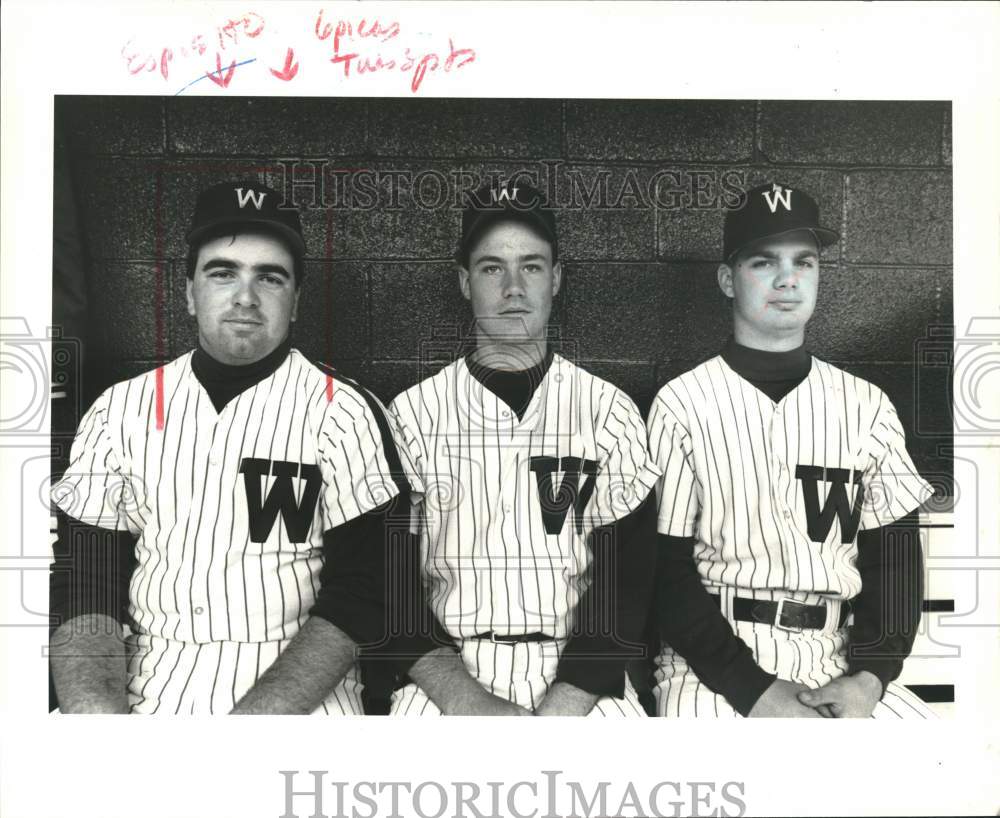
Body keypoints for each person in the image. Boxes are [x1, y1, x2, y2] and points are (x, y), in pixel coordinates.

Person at [48, 180, 436, 714]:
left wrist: (250, 732)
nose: (245, 297)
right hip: (146, 692)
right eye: (222, 272)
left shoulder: (343, 412)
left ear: (296, 301)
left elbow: (365, 594)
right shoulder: (119, 411)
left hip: (299, 709)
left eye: (269, 278)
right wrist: (96, 718)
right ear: (189, 291)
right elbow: (86, 583)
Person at [646, 181, 935, 718]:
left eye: (804, 262)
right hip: (710, 667)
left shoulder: (866, 406)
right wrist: (754, 690)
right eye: (763, 262)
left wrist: (870, 680)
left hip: (838, 660)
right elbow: (666, 570)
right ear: (728, 280)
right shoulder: (682, 403)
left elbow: (895, 563)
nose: (787, 279)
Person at [385, 181, 661, 716]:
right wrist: (464, 700)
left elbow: (626, 581)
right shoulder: (411, 414)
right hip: (447, 678)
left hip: (581, 675)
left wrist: (571, 698)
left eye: (531, 266)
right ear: (465, 282)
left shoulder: (608, 409)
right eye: (492, 268)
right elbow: (389, 585)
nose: (513, 287)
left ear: (556, 279)